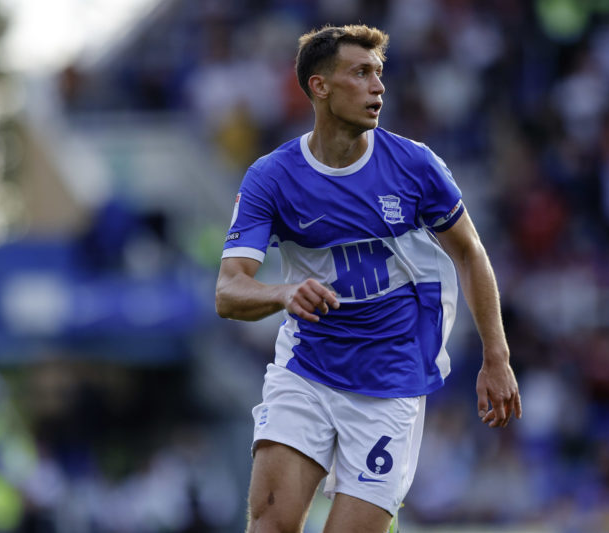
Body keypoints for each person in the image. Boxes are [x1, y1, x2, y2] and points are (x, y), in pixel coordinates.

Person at [215, 24, 522, 533]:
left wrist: (497, 356)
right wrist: (283, 291)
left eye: (380, 74)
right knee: (270, 523)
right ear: (320, 86)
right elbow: (228, 290)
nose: (379, 87)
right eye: (361, 73)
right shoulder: (272, 177)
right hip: (307, 369)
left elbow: (470, 253)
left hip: (392, 378)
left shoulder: (414, 165)